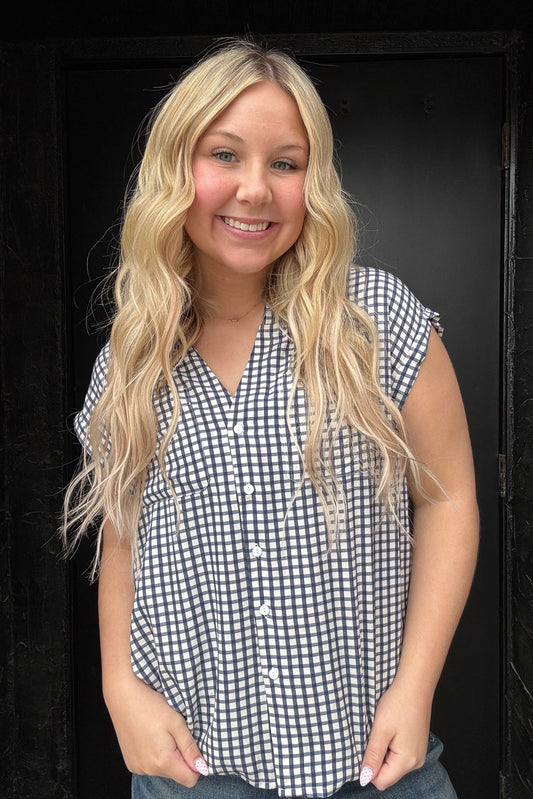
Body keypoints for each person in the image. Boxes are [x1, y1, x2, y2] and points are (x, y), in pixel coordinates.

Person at [63, 39, 479, 799]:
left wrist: (414, 689)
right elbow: (122, 533)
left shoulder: (375, 320)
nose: (254, 188)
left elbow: (447, 498)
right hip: (195, 769)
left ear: (311, 184)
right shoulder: (129, 364)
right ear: (173, 171)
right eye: (224, 154)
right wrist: (118, 687)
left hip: (373, 765)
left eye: (284, 164)